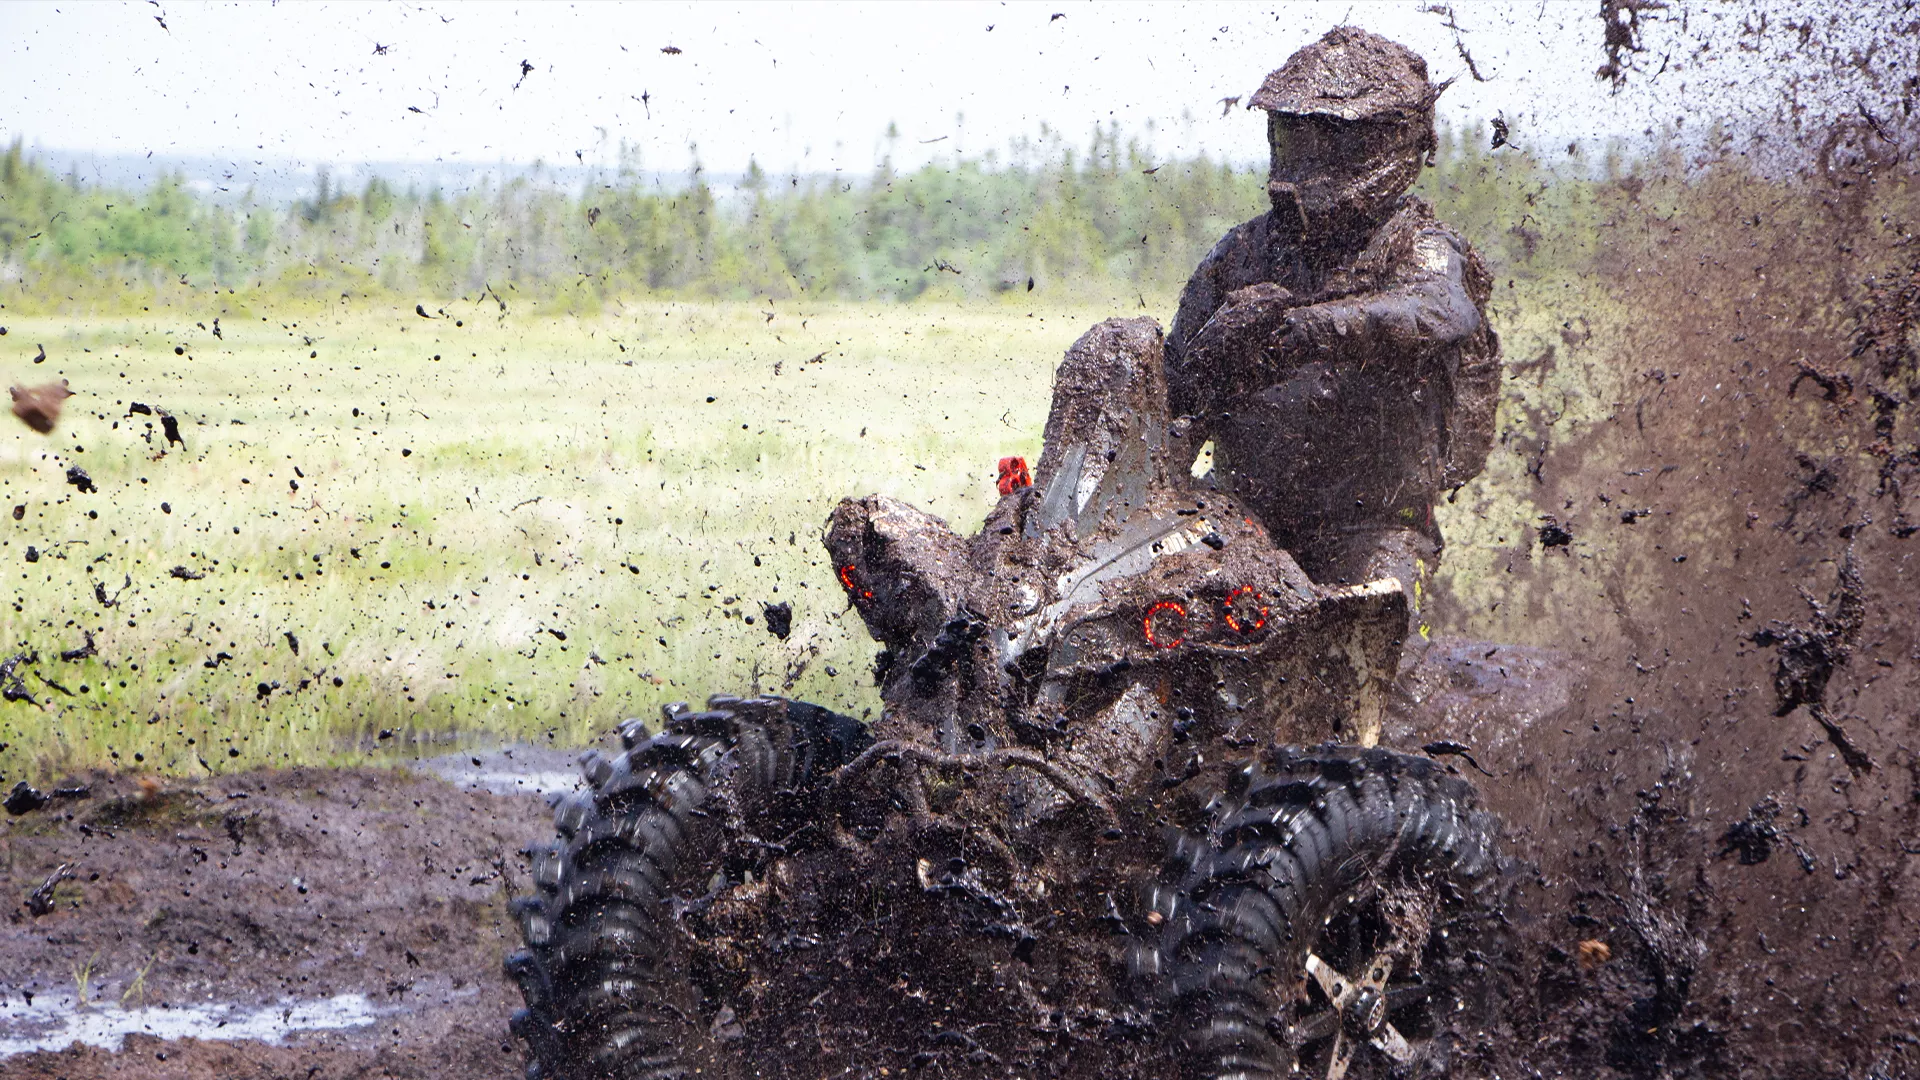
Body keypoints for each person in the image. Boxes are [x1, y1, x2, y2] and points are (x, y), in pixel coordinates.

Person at [1164, 25, 1500, 651]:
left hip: (1375, 525)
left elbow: (1439, 310)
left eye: (1335, 136)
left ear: (1390, 140)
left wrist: (1303, 332)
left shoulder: (1418, 246)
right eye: (1301, 132)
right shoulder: (1239, 254)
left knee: (1374, 669)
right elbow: (1173, 388)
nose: (1314, 151)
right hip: (1241, 516)